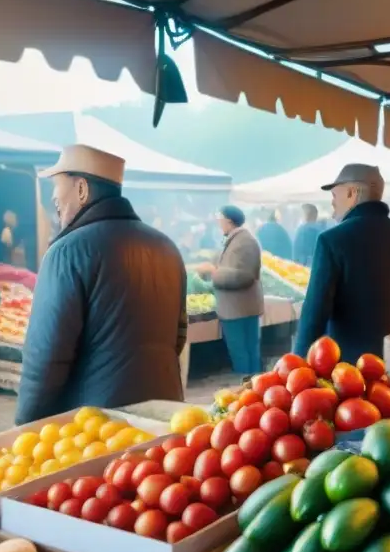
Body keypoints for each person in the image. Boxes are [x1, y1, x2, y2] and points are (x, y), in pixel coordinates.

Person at [15, 145, 188, 423]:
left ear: (81, 188)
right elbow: (178, 337)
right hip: (164, 416)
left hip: (97, 426)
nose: (54, 199)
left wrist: (25, 426)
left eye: (58, 187)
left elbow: (46, 358)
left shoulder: (67, 251)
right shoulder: (166, 247)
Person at [293, 164, 390, 362]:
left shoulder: (332, 241)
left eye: (335, 196)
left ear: (352, 193)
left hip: (353, 375)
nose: (332, 204)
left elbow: (314, 315)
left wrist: (296, 364)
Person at [196, 206, 263, 375]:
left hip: (238, 309)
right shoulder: (236, 239)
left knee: (242, 353)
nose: (218, 222)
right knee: (247, 352)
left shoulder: (244, 241)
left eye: (220, 218)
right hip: (239, 307)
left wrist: (213, 271)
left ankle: (248, 389)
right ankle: (251, 388)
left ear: (229, 221)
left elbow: (242, 276)